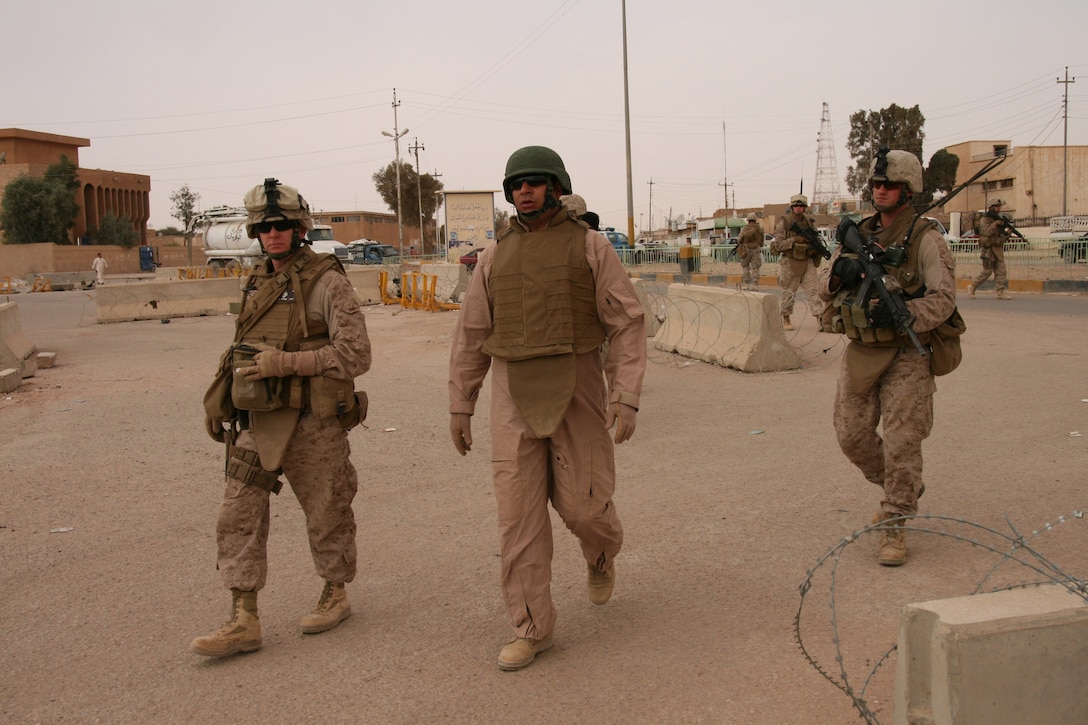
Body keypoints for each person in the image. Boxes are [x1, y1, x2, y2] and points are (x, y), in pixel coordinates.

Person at [448, 146, 647, 671]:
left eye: (534, 182)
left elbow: (626, 323)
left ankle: (601, 550)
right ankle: (532, 627)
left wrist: (625, 393)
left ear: (555, 187)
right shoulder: (493, 257)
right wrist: (460, 404)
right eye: (516, 185)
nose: (524, 192)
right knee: (518, 517)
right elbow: (471, 333)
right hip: (512, 394)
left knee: (585, 507)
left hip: (576, 387)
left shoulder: (590, 246)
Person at [193, 178, 372, 658]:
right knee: (238, 512)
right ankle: (243, 617)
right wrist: (220, 398)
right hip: (259, 420)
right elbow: (241, 347)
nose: (274, 234)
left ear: (300, 229)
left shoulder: (327, 281)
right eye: (265, 227)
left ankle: (335, 592)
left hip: (314, 420)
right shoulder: (257, 280)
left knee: (328, 509)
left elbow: (356, 354)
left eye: (283, 226)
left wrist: (287, 364)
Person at [817, 149, 957, 566]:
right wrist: (842, 272)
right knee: (851, 435)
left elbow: (945, 299)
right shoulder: (855, 232)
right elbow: (822, 287)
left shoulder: (925, 238)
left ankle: (895, 517)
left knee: (902, 440)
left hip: (906, 353)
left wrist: (903, 314)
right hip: (863, 350)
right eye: (877, 183)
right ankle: (904, 485)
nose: (881, 190)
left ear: (908, 190)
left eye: (890, 184)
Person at [771, 194, 825, 330]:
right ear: (792, 207)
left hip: (807, 260)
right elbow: (777, 245)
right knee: (789, 292)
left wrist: (814, 246)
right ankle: (786, 318)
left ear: (805, 208)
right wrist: (794, 240)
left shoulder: (810, 223)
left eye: (801, 206)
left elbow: (817, 240)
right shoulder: (784, 223)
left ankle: (820, 318)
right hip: (790, 261)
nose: (799, 208)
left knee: (813, 291)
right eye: (796, 205)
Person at [967, 199, 1012, 300]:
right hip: (988, 249)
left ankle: (1000, 292)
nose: (998, 208)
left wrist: (1007, 233)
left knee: (1001, 271)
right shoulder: (985, 219)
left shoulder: (998, 218)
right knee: (987, 271)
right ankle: (973, 286)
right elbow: (986, 232)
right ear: (991, 207)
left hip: (997, 248)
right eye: (996, 206)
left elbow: (1000, 235)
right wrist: (995, 224)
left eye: (999, 206)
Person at [736, 213, 764, 290]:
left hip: (746, 250)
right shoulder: (760, 229)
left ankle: (746, 284)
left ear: (748, 220)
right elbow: (762, 242)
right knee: (755, 268)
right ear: (755, 220)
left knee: (745, 268)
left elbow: (739, 239)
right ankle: (755, 285)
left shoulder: (744, 229)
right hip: (756, 250)